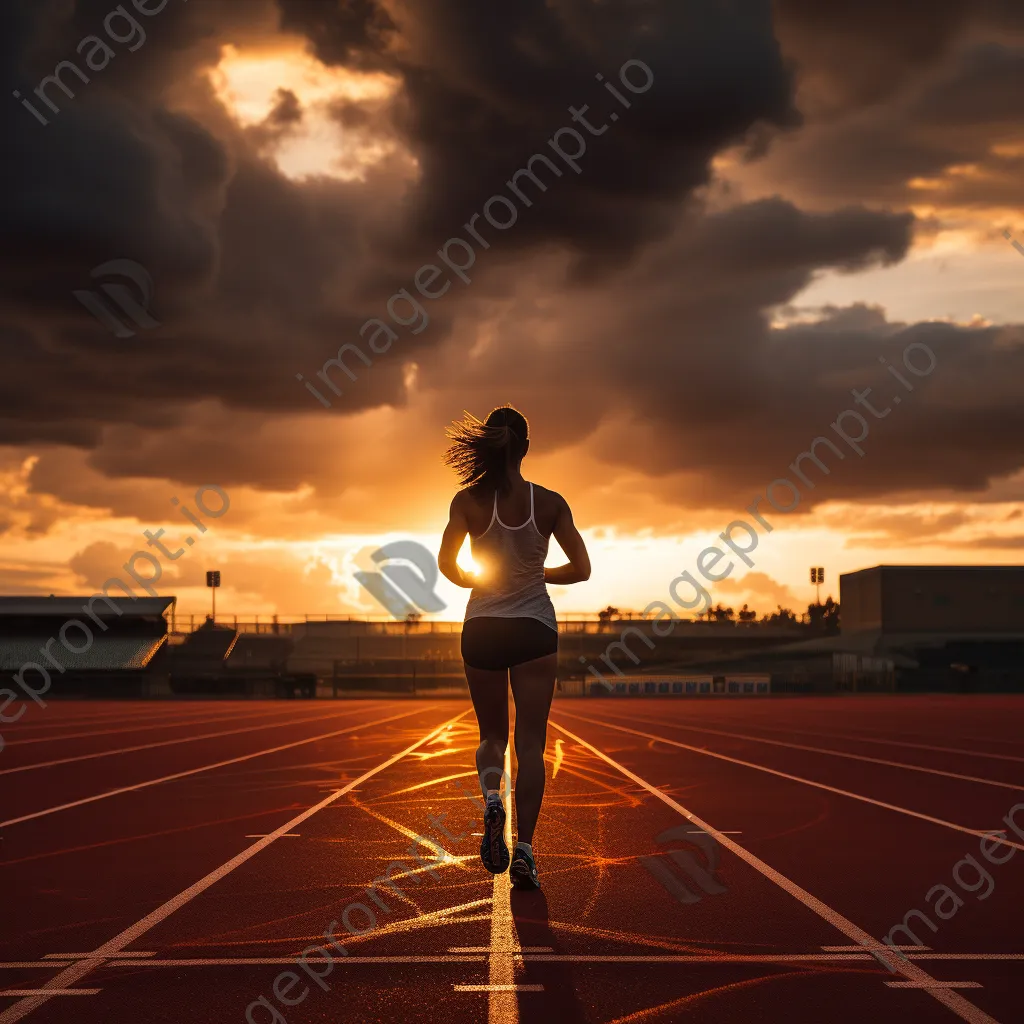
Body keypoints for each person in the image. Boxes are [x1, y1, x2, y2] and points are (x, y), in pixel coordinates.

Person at [438, 406, 591, 889]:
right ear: (525, 447)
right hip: (534, 628)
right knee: (530, 746)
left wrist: (474, 581)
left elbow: (446, 564)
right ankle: (524, 850)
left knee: (491, 737)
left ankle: (490, 799)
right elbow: (582, 569)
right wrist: (538, 574)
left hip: (482, 626)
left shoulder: (465, 501)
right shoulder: (548, 503)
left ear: (488, 445)